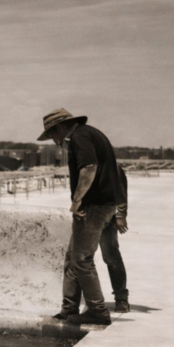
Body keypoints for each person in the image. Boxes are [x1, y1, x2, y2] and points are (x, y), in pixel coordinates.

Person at [38, 108, 122, 326]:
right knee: (72, 259)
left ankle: (98, 311)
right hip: (101, 206)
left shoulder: (79, 136)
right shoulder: (88, 134)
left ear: (59, 128)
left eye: (52, 135)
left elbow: (89, 168)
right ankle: (69, 309)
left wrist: (76, 202)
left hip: (93, 206)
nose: (55, 141)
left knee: (81, 260)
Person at [99, 166, 129, 312]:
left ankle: (121, 298)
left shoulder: (112, 164)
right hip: (87, 215)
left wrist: (121, 216)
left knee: (111, 256)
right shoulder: (83, 158)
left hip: (107, 217)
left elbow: (121, 191)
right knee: (81, 258)